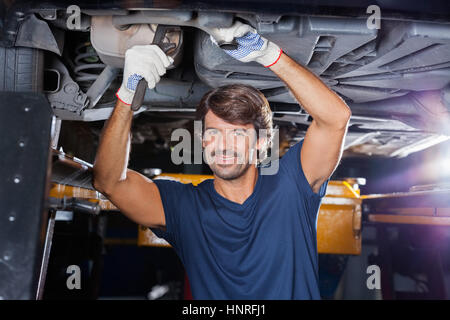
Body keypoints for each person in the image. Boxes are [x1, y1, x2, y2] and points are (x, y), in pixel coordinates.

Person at [92, 21, 351, 299]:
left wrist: (269, 54)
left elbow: (335, 119)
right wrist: (127, 94)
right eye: (214, 132)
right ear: (203, 141)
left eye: (238, 133)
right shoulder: (184, 207)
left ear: (262, 142)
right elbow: (109, 183)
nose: (224, 145)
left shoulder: (291, 187)